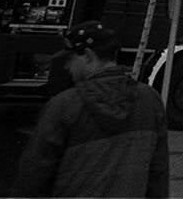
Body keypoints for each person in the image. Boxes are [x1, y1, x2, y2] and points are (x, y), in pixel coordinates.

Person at [14, 21, 168, 197]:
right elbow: (158, 174)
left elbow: (33, 177)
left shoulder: (64, 106)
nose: (66, 67)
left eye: (70, 59)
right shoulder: (150, 100)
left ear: (88, 56)